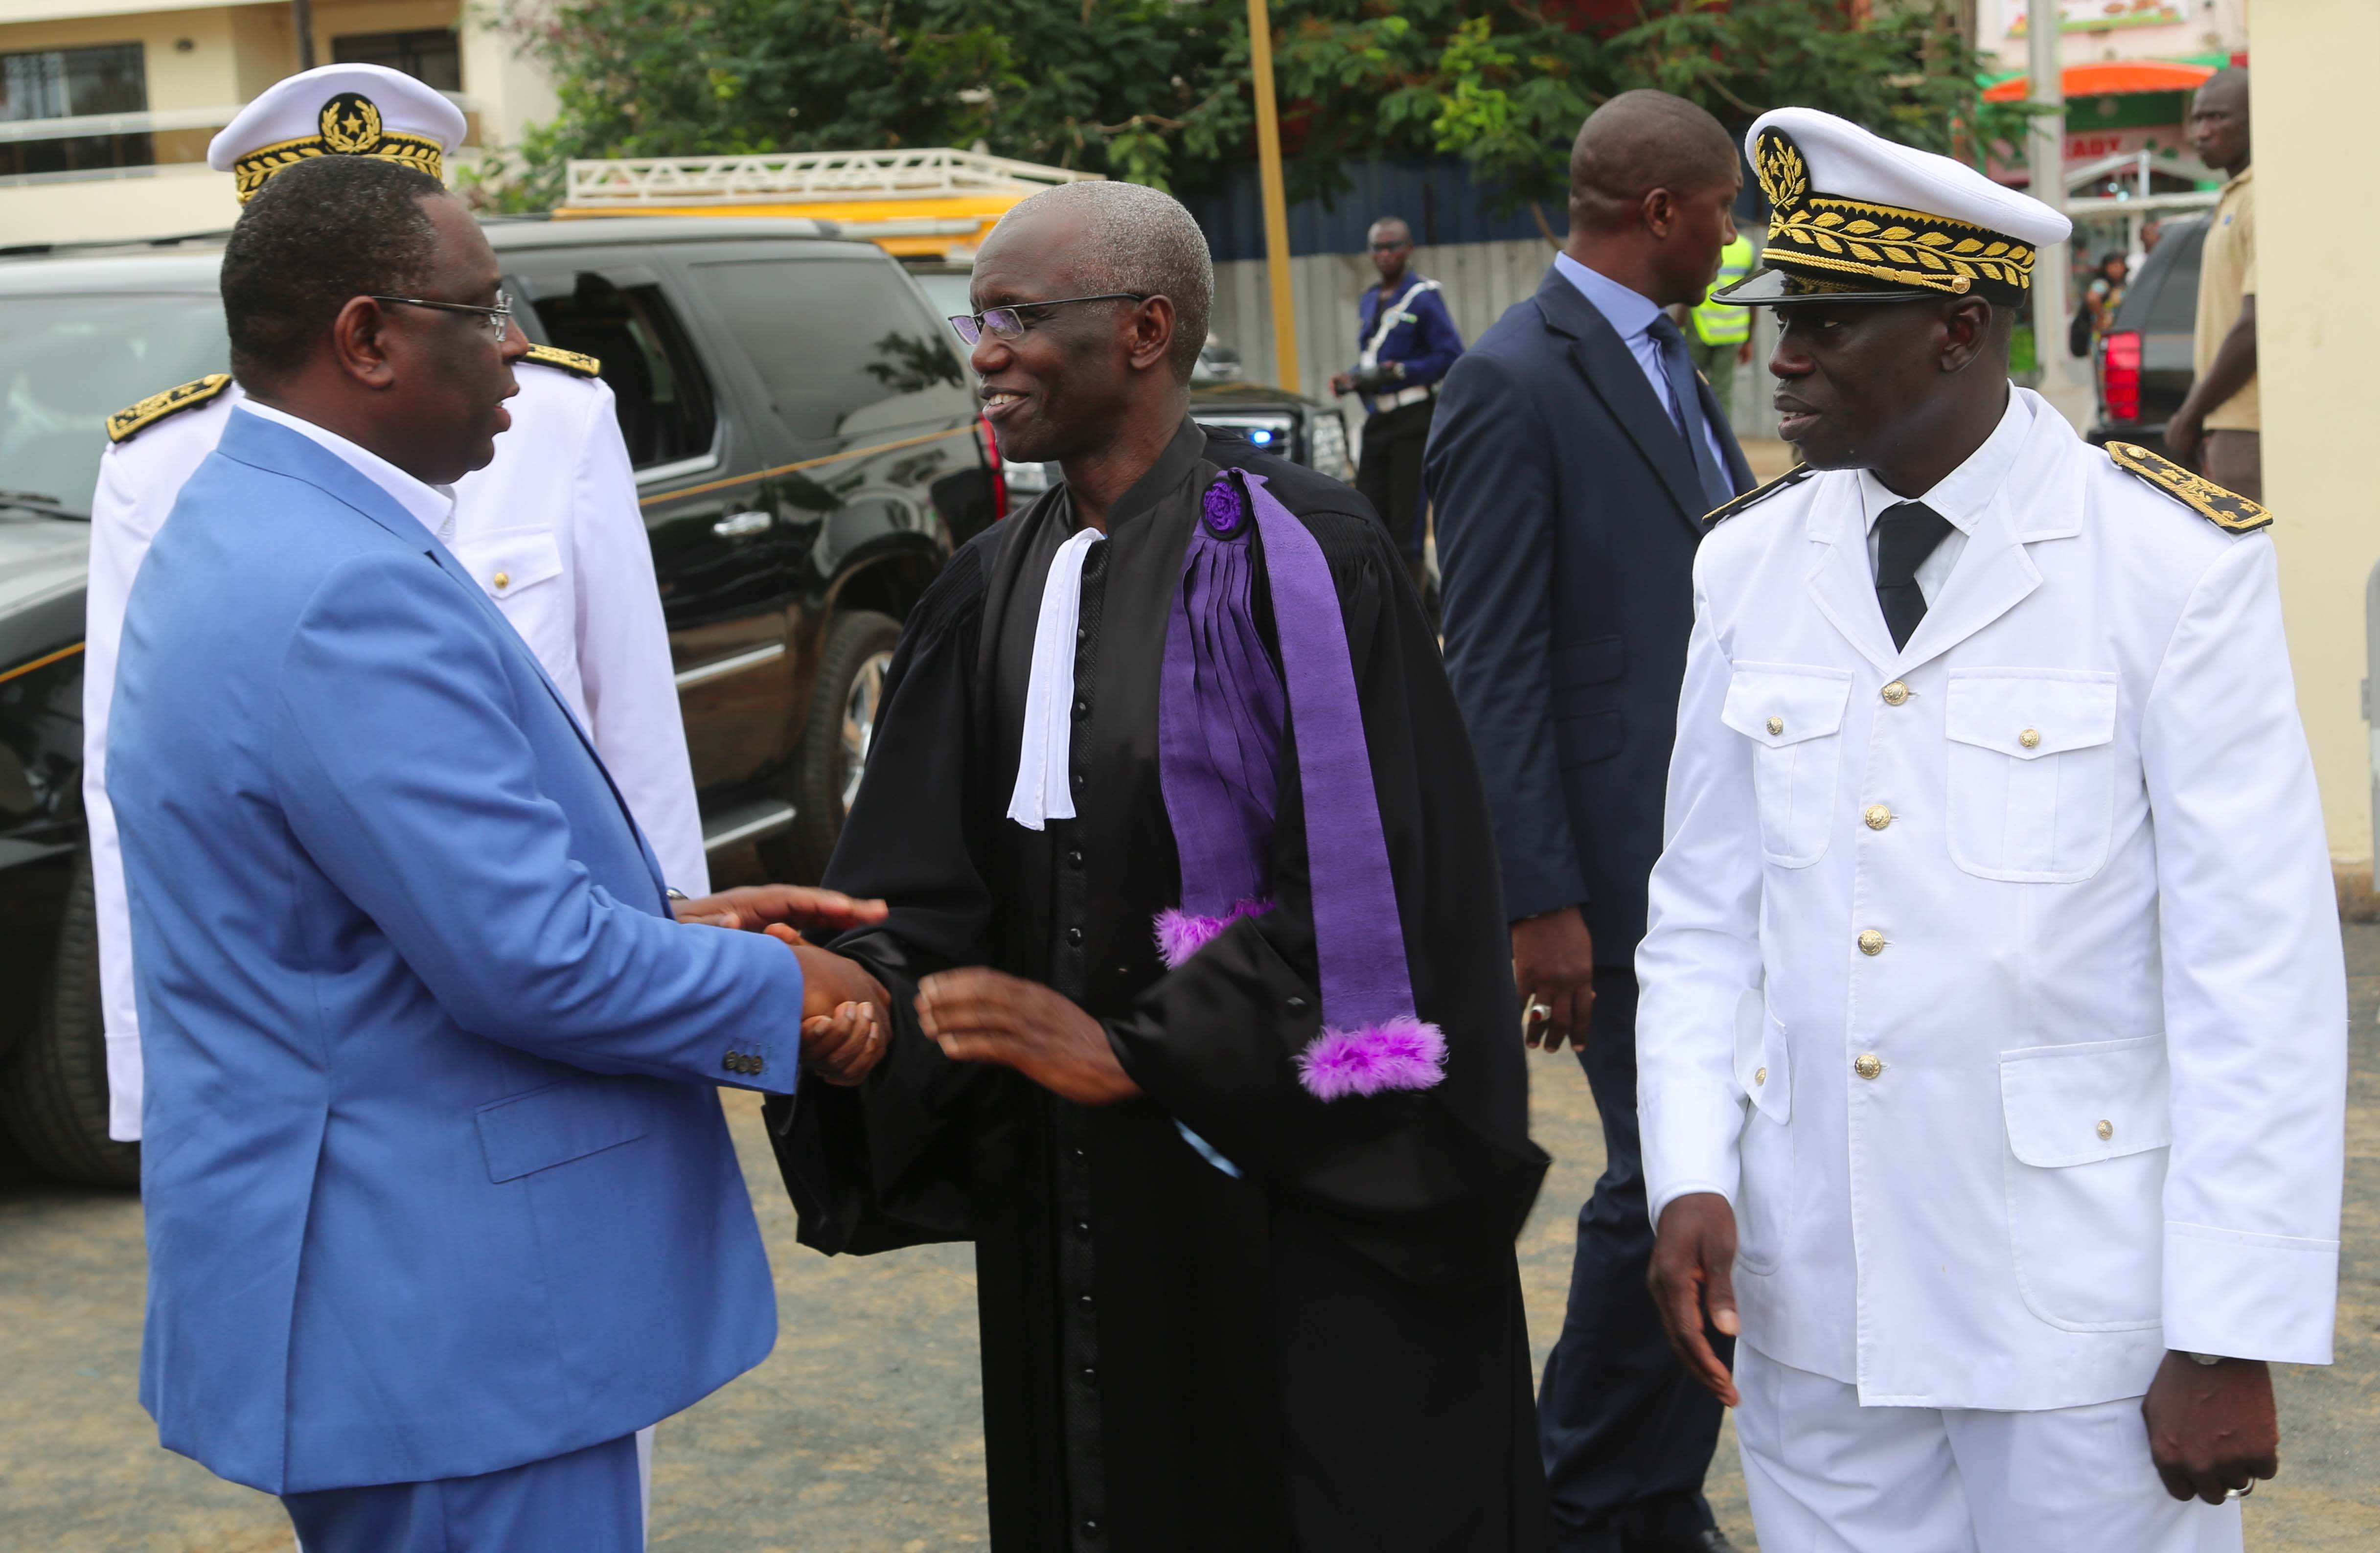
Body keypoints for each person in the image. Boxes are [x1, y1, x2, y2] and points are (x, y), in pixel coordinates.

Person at [107, 152, 891, 1552]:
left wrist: (677, 924)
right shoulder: (342, 583)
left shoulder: (252, 521)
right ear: (369, 338)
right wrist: (801, 995)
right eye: (480, 310)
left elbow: (367, 908)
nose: (517, 341)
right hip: (448, 1310)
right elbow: (530, 961)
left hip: (386, 1295)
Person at [763, 179, 1554, 1551]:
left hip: (1282, 1198)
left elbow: (1388, 895)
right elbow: (925, 889)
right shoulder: (988, 582)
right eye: (979, 316)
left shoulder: (1309, 558)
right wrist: (864, 995)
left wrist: (1144, 1047)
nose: (986, 347)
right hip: (1074, 1198)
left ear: (1143, 329)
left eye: (1021, 316)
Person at [1638, 106, 2345, 1553]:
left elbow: (2252, 967)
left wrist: (2228, 1319)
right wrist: (1689, 1167)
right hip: (1813, 1277)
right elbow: (1703, 915)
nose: (1782, 356)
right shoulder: (1745, 564)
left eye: (1828, 321)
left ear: (1956, 331)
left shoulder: (2167, 566)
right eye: (1781, 316)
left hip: (2076, 1307)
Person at [84, 63, 707, 1150]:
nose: (503, 344)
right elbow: (124, 786)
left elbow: (632, 719)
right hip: (343, 1022)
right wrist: (153, 1083)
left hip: (571, 968)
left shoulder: (553, 416)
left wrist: (680, 964)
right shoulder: (163, 463)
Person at [1426, 91, 1753, 1553]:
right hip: (1607, 875)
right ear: (1664, 212)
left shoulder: (1670, 362)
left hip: (1704, 846)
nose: (1735, 239)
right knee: (1657, 1175)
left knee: (1706, 1162)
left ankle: (1635, 1488)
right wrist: (1535, 897)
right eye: (1725, 211)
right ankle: (1573, 1487)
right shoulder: (1511, 377)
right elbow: (1486, 659)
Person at [1330, 216, 1465, 593]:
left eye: (1393, 246)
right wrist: (1353, 378)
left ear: (1409, 250)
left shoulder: (1423, 297)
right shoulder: (1371, 298)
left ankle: (1416, 621)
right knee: (1370, 516)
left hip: (1413, 420)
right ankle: (1388, 607)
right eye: (1378, 247)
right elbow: (1374, 360)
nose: (1385, 254)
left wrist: (1402, 371)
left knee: (1407, 525)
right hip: (1379, 421)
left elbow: (1451, 355)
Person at [2167, 68, 2257, 497]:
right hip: (2226, 423)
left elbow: (2255, 325)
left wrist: (2191, 413)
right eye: (2198, 119)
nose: (2202, 132)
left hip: (2248, 424)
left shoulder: (2260, 196)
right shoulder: (2234, 196)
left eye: (2218, 118)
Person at [1684, 228, 1756, 428]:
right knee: (1722, 391)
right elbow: (1753, 296)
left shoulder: (1698, 242)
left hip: (1699, 328)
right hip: (1731, 332)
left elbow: (1688, 288)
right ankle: (1721, 440)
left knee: (1689, 385)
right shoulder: (1746, 248)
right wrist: (1749, 338)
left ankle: (1692, 434)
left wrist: (1677, 325)